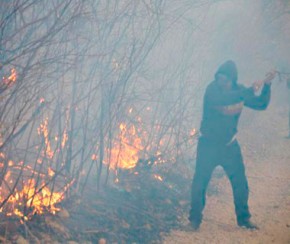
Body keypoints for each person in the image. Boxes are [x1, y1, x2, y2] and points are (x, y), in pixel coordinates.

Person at [189, 60, 276, 230]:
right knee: (200, 182)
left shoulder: (239, 91)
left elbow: (261, 104)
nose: (221, 82)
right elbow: (225, 99)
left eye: (225, 79)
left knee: (240, 184)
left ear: (232, 80)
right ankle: (194, 220)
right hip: (208, 145)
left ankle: (244, 219)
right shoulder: (212, 90)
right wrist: (249, 90)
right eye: (219, 78)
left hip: (229, 146)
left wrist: (267, 85)